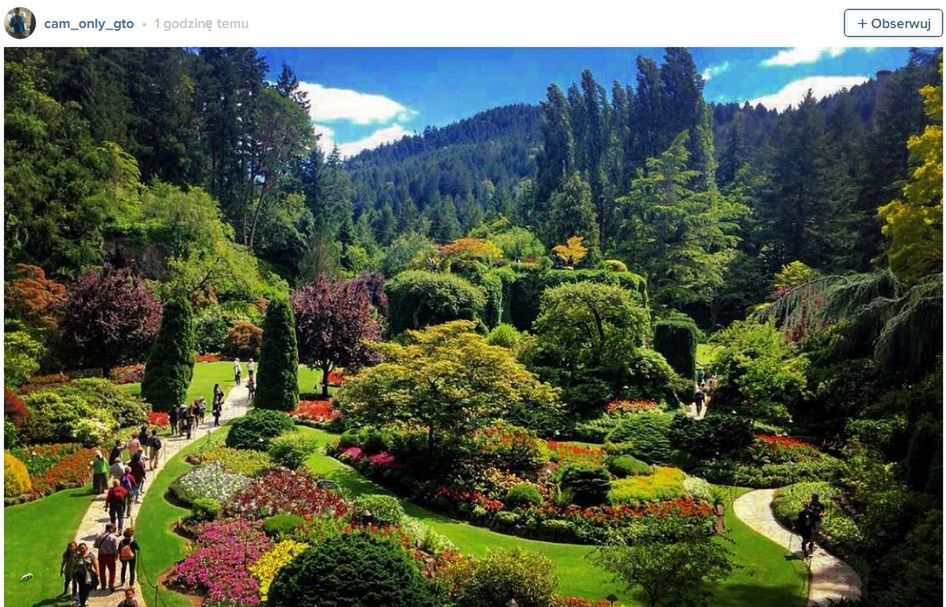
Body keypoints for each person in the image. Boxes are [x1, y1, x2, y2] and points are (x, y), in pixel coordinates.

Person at [93, 523, 120, 592]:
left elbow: (95, 546)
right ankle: (111, 583)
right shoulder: (113, 537)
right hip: (110, 556)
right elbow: (115, 548)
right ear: (111, 528)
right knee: (112, 570)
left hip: (101, 555)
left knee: (102, 571)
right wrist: (116, 555)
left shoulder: (99, 536)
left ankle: (103, 584)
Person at [74, 543, 99, 607]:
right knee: (81, 588)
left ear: (86, 548)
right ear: (78, 549)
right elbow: (74, 565)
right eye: (80, 548)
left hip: (88, 575)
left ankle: (84, 599)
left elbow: (95, 563)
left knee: (87, 588)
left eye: (83, 548)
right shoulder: (76, 556)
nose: (82, 549)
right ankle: (82, 602)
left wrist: (97, 572)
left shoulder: (90, 555)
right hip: (80, 575)